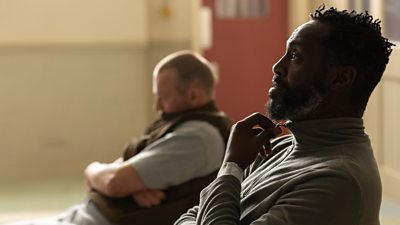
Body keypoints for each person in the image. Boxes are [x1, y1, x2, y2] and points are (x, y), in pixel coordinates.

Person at [175, 6, 394, 225]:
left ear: (340, 79)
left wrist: (231, 166)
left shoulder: (339, 181)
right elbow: (192, 216)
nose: (277, 67)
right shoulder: (278, 148)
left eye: (295, 56)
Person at [9, 51, 232, 225]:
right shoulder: (185, 126)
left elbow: (114, 182)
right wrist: (125, 180)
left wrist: (94, 170)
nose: (157, 107)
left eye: (163, 98)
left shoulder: (199, 137)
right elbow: (115, 177)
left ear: (193, 94)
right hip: (88, 215)